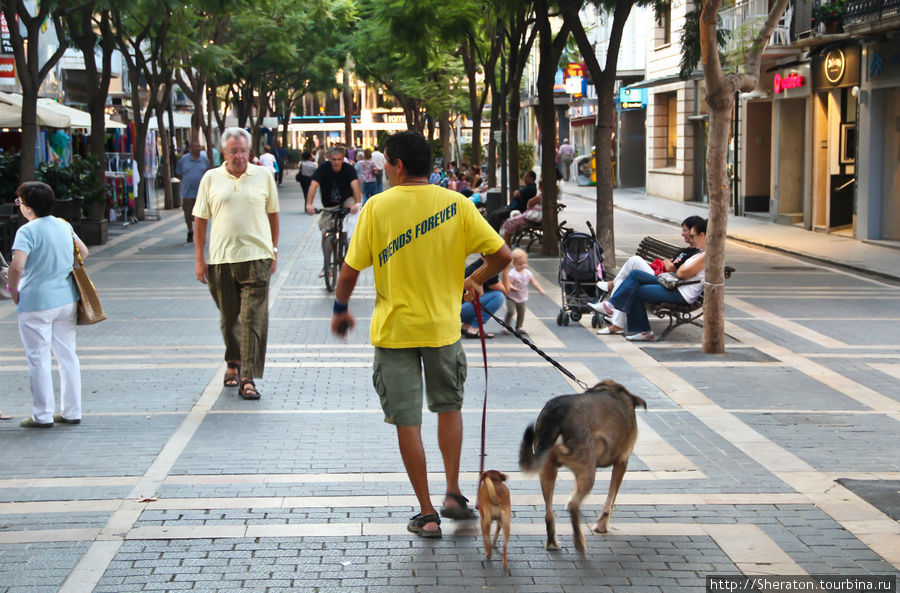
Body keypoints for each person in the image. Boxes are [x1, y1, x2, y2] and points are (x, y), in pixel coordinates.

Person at [329, 131, 512, 539]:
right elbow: (500, 255)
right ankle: (452, 494)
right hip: (443, 329)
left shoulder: (377, 207)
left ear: (396, 165)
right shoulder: (458, 203)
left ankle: (427, 514)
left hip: (394, 332)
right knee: (449, 407)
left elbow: (349, 271)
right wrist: (473, 279)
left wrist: (341, 309)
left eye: (386, 164)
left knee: (407, 422)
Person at [193, 127, 280, 399]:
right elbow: (200, 220)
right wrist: (199, 259)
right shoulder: (210, 178)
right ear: (224, 152)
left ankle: (248, 376)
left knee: (253, 318)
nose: (239, 156)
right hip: (221, 259)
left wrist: (274, 250)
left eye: (243, 151)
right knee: (229, 318)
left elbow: (273, 215)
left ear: (250, 151)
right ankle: (233, 360)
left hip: (257, 257)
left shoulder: (263, 176)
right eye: (233, 151)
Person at [7, 181, 87, 428]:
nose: (19, 206)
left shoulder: (27, 231)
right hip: (66, 298)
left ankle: (42, 415)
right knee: (67, 356)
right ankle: (72, 411)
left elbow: (17, 266)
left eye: (19, 202)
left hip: (35, 301)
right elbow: (83, 252)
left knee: (38, 358)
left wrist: (13, 289)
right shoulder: (63, 225)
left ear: (28, 206)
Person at [592, 218, 707, 341]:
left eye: (693, 236)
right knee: (635, 276)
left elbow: (681, 273)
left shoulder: (705, 255)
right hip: (674, 285)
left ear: (702, 235)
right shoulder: (699, 253)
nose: (692, 238)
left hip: (681, 293)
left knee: (634, 285)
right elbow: (681, 269)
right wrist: (681, 269)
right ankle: (616, 309)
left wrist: (681, 269)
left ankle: (615, 308)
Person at [305, 146, 362, 270]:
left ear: (343, 159)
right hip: (330, 205)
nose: (336, 162)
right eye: (334, 159)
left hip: (347, 199)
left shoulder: (348, 169)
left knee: (351, 212)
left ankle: (349, 246)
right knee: (326, 233)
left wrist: (357, 203)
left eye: (339, 159)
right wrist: (309, 204)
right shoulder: (323, 168)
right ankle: (327, 264)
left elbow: (355, 185)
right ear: (329, 159)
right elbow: (313, 185)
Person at [502, 248, 547, 334]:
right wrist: (512, 287)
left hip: (522, 297)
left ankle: (519, 327)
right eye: (520, 264)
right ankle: (506, 325)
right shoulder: (512, 273)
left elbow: (533, 281)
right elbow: (508, 283)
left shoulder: (527, 273)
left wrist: (540, 290)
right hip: (511, 297)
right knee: (511, 311)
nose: (523, 265)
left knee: (521, 312)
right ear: (514, 263)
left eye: (524, 263)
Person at [460, 257, 506, 339]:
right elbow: (506, 291)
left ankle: (466, 326)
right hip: (460, 311)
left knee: (485, 296)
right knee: (498, 296)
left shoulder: (478, 264)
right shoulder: (487, 269)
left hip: (458, 309)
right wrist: (506, 270)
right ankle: (474, 328)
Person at [175, 139, 210, 243]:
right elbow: (178, 173)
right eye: (195, 147)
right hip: (187, 193)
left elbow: (208, 174)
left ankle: (200, 234)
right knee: (188, 214)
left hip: (201, 193)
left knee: (201, 215)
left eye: (199, 147)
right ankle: (190, 230)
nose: (197, 149)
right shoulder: (183, 160)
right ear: (190, 148)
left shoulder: (204, 160)